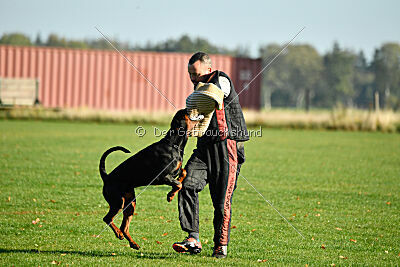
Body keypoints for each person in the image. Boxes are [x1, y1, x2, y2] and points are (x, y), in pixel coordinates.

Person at [172, 52, 249, 258]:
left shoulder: (221, 79)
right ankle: (193, 238)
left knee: (221, 200)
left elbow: (215, 94)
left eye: (195, 74)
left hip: (227, 147)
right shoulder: (198, 91)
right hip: (205, 148)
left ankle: (220, 246)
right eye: (189, 74)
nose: (192, 78)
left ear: (207, 69)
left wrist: (194, 99)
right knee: (186, 183)